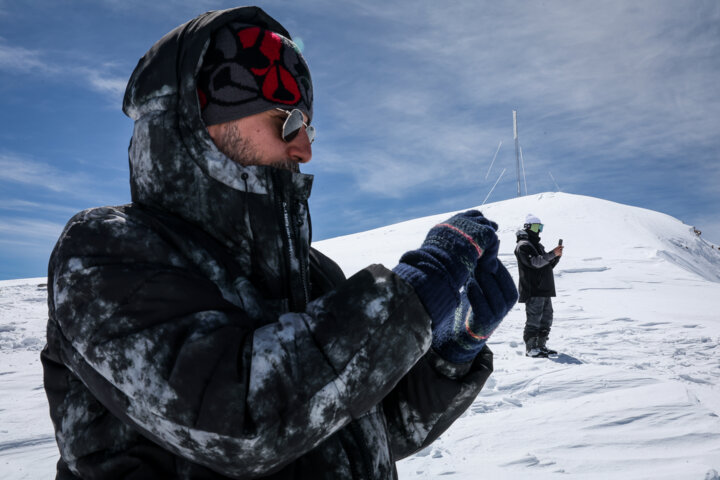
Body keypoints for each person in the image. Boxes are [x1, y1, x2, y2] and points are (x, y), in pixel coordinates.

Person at [41, 6, 517, 479]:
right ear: (196, 122)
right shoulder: (107, 252)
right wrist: (409, 298)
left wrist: (452, 353)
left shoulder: (314, 273)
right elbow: (241, 426)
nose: (305, 148)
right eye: (286, 121)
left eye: (308, 127)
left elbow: (363, 426)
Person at [514, 214, 563, 358]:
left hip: (544, 288)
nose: (539, 230)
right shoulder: (523, 245)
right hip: (533, 289)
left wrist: (556, 257)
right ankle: (531, 348)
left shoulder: (537, 246)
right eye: (536, 227)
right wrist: (551, 254)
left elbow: (546, 265)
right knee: (534, 319)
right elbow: (535, 263)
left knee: (546, 318)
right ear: (528, 227)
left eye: (540, 227)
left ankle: (541, 346)